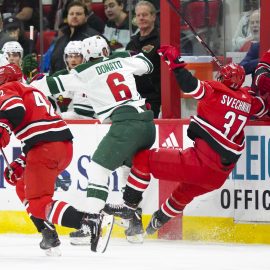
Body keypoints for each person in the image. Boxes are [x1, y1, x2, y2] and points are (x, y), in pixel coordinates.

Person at [103, 44, 268, 236]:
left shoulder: (216, 90)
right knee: (183, 193)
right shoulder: (249, 100)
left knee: (142, 159)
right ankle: (157, 221)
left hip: (200, 162)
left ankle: (128, 206)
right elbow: (263, 106)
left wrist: (175, 63)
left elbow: (191, 86)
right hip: (218, 177)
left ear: (222, 78)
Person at [31, 35, 156, 242]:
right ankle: (135, 226)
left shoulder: (83, 73)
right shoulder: (122, 59)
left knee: (98, 168)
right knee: (128, 170)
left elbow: (46, 86)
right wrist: (132, 54)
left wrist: (27, 82)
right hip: (147, 123)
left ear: (85, 55)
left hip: (125, 124)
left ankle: (91, 224)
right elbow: (147, 65)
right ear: (106, 50)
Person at [0, 64, 113, 254]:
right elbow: (39, 129)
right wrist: (21, 162)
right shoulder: (33, 91)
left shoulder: (8, 88)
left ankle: (89, 221)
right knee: (22, 185)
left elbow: (15, 111)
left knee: (38, 203)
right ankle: (47, 232)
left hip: (45, 149)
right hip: (61, 147)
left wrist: (2, 128)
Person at [126, 1, 160, 118]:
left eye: (144, 15)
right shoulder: (131, 43)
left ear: (153, 17)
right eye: (138, 15)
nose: (141, 18)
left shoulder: (160, 40)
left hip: (154, 97)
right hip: (134, 97)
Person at [50, 1, 101, 74]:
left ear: (86, 17)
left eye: (78, 14)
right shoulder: (60, 41)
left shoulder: (95, 39)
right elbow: (53, 68)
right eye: (71, 14)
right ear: (67, 17)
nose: (74, 16)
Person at [52, 40, 95, 119]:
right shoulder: (57, 76)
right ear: (66, 58)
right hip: (59, 124)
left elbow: (83, 115)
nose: (73, 60)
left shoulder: (91, 78)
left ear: (84, 57)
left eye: (77, 56)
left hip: (84, 125)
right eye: (70, 56)